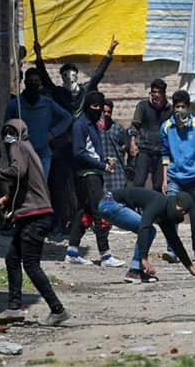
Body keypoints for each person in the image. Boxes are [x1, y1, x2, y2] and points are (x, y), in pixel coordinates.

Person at [0, 119, 71, 326]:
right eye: (6, 132)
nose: (8, 136)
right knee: (12, 259)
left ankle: (57, 309)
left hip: (36, 217)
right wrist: (5, 200)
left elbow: (17, 171)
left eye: (10, 132)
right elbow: (25, 186)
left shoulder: (17, 146)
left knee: (31, 264)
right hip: (34, 215)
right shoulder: (29, 150)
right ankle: (14, 307)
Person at [98, 188, 195, 283]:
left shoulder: (166, 214)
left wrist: (191, 268)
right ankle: (135, 271)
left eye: (184, 213)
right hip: (110, 203)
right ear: (175, 203)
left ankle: (136, 270)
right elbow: (144, 227)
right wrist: (144, 258)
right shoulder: (159, 202)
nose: (181, 215)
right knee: (149, 230)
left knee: (150, 230)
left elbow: (175, 242)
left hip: (111, 205)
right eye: (181, 210)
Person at [65, 92, 125, 267]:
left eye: (100, 106)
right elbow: (79, 152)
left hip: (94, 173)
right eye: (95, 106)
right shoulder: (80, 125)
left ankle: (72, 252)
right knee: (100, 213)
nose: (98, 110)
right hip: (88, 175)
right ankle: (105, 255)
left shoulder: (92, 125)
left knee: (85, 213)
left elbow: (92, 151)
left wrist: (103, 161)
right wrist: (101, 166)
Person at [160, 90, 195, 262]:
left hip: (193, 176)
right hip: (174, 176)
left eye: (183, 106)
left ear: (188, 107)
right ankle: (172, 250)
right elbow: (165, 154)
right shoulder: (166, 127)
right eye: (177, 107)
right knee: (171, 214)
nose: (179, 110)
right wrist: (165, 179)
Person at [4, 68, 73, 178]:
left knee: (40, 188)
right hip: (22, 155)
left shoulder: (47, 103)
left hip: (43, 154)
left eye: (36, 81)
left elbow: (67, 118)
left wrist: (53, 133)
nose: (33, 84)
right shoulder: (15, 104)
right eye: (30, 81)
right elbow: (6, 132)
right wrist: (12, 150)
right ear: (25, 82)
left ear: (40, 83)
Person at [33, 37, 118, 117]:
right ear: (62, 77)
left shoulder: (84, 90)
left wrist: (109, 52)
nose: (70, 78)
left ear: (76, 76)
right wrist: (38, 56)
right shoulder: (58, 92)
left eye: (72, 75)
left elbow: (97, 76)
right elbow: (45, 79)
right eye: (66, 75)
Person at [128, 79, 172, 192]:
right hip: (144, 150)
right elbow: (135, 125)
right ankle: (136, 207)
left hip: (161, 151)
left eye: (159, 92)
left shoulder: (169, 109)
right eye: (154, 92)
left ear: (163, 94)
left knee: (158, 185)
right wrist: (132, 143)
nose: (156, 95)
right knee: (138, 182)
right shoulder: (143, 106)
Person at [99, 98, 129, 193]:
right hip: (101, 170)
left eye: (109, 112)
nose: (106, 114)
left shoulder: (118, 128)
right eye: (104, 112)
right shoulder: (95, 129)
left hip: (117, 172)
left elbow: (126, 146)